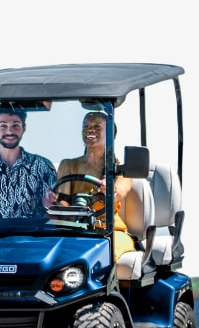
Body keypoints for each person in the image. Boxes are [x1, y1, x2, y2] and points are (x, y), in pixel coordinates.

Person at [57, 111, 138, 261]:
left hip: (109, 231)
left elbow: (118, 193)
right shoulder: (68, 165)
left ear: (110, 134)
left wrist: (109, 189)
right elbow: (62, 203)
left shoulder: (120, 169)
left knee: (106, 252)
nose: (90, 130)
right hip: (73, 229)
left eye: (96, 126)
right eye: (86, 126)